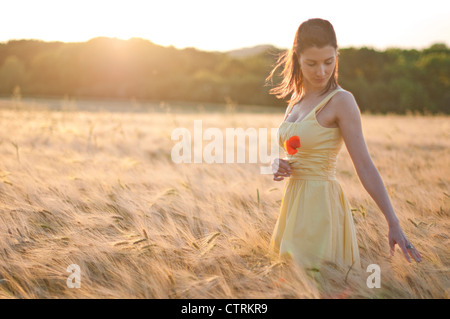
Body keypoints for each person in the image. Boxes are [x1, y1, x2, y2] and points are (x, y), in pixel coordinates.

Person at [266, 18, 422, 271]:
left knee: (321, 282)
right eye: (311, 63)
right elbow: (298, 151)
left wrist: (393, 223)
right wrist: (279, 163)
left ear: (337, 55)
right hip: (293, 206)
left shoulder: (341, 101)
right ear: (296, 58)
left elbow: (364, 165)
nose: (321, 72)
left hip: (321, 208)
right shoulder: (295, 101)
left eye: (329, 61)